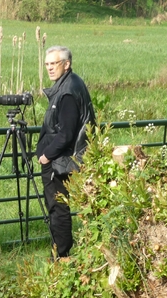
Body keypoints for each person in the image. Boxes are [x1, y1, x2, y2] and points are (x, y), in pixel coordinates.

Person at [35, 46, 95, 258]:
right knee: (60, 206)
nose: (50, 68)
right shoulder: (70, 83)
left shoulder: (68, 91)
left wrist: (46, 155)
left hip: (61, 160)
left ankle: (60, 256)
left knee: (57, 208)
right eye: (47, 64)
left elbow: (67, 133)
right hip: (65, 157)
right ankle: (63, 253)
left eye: (54, 63)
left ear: (66, 64)